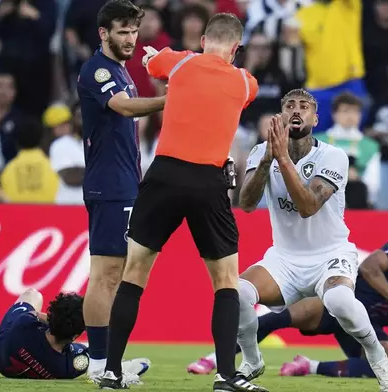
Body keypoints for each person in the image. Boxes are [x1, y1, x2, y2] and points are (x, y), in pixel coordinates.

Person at [100, 12, 262, 392]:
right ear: (236, 49)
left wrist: (155, 57)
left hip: (164, 175)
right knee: (225, 281)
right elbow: (240, 93)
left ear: (203, 40)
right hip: (208, 181)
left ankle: (110, 372)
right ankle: (225, 375)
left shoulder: (181, 60)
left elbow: (151, 61)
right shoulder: (245, 82)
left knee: (134, 272)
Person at [233, 89, 388, 391]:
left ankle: (378, 358)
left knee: (339, 300)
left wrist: (282, 160)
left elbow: (308, 207)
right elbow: (245, 204)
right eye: (289, 106)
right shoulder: (262, 151)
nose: (296, 111)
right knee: (239, 293)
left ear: (315, 117)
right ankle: (253, 359)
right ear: (281, 115)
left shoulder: (333, 155)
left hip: (330, 254)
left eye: (304, 106)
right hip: (284, 258)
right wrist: (266, 161)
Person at [188, 207, 388, 380]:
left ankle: (309, 366)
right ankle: (215, 359)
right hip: (337, 299)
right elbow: (368, 267)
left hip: (365, 326)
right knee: (279, 319)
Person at [76, 0, 166, 384]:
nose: (130, 38)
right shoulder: (98, 70)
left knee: (115, 273)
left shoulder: (120, 70)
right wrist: (172, 100)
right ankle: (99, 364)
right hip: (109, 185)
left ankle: (107, 359)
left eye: (133, 31)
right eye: (122, 32)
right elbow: (124, 109)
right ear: (104, 33)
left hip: (123, 182)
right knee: (106, 274)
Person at [0, 289, 149, 380]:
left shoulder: (24, 324)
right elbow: (92, 349)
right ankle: (120, 368)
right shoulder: (69, 366)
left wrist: (54, 318)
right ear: (75, 335)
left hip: (2, 357)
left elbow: (32, 313)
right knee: (96, 352)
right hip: (33, 367)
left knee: (32, 295)